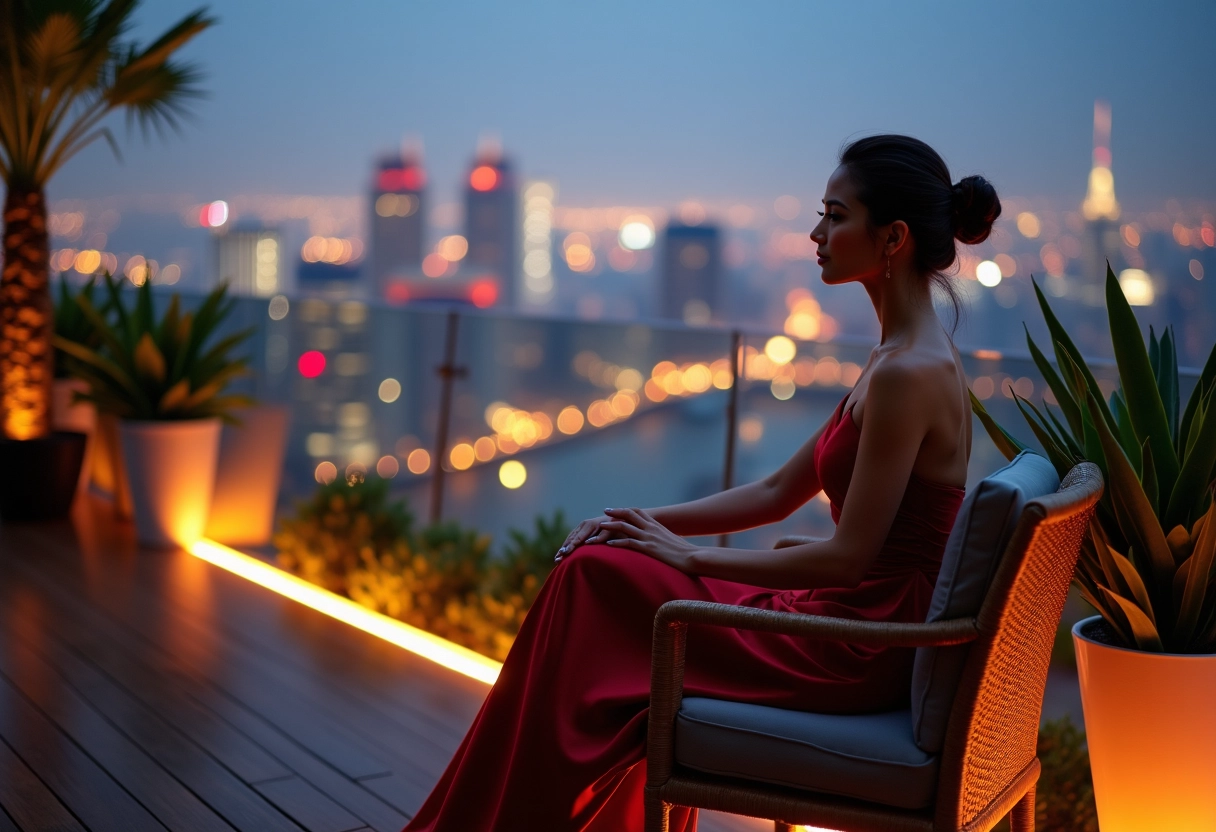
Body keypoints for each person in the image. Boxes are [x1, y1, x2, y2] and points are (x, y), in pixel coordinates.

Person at [403, 134, 1001, 832]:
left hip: (860, 644)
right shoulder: (896, 357)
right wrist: (644, 521)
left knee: (593, 579)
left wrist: (682, 555)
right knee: (601, 566)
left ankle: (495, 816)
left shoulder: (908, 373)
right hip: (852, 618)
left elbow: (849, 558)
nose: (816, 233)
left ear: (892, 237)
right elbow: (779, 490)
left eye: (836, 216)